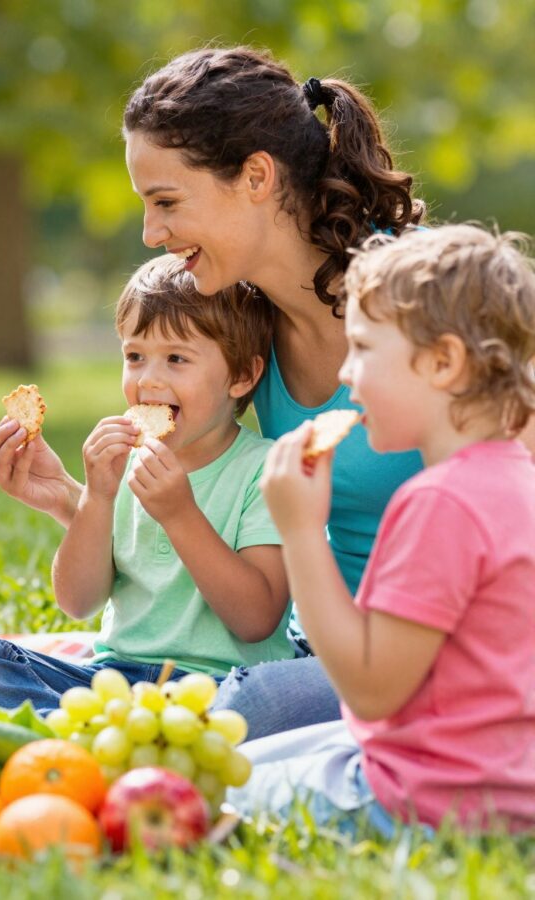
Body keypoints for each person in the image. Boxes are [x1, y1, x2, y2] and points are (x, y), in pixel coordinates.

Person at [0, 46, 432, 739]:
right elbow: (206, 500)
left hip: (419, 649)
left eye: (165, 202)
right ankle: (135, 735)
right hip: (310, 645)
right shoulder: (245, 326)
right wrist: (74, 499)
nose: (150, 234)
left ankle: (128, 736)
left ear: (256, 176)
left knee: (243, 709)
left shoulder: (423, 302)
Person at [230, 224, 535, 835]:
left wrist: (301, 531)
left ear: (443, 361)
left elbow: (370, 692)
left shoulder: (440, 504)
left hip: (428, 795)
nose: (345, 374)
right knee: (241, 762)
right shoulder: (514, 478)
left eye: (364, 350)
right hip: (499, 778)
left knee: (207, 795)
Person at [0, 255, 292, 712]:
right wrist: (96, 498)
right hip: (113, 680)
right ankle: (98, 738)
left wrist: (180, 514)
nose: (148, 379)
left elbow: (257, 620)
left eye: (177, 359)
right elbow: (78, 602)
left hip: (220, 687)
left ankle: (76, 736)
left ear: (242, 376)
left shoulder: (264, 469)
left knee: (268, 700)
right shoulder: (120, 466)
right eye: (135, 356)